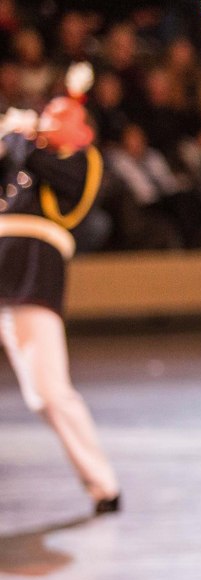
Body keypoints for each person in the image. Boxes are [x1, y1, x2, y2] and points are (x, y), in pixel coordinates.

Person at [0, 62, 121, 515]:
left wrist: (19, 137)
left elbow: (55, 176)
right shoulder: (20, 154)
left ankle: (102, 484)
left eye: (60, 114)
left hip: (33, 269)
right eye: (46, 112)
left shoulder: (82, 161)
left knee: (47, 393)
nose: (48, 118)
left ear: (84, 131)